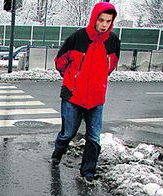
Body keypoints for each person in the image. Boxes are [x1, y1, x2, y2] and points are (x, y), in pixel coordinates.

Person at [51, 2, 120, 182]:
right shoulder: (78, 37)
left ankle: (88, 173)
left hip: (96, 98)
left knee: (94, 138)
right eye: (101, 20)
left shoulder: (113, 42)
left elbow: (111, 66)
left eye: (108, 21)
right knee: (68, 133)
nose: (104, 24)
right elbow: (60, 61)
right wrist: (71, 80)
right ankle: (58, 151)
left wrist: (99, 82)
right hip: (73, 96)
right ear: (94, 19)